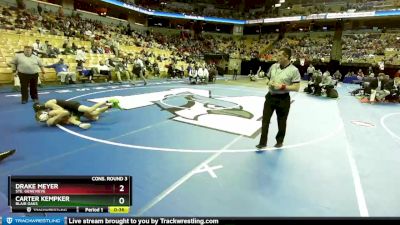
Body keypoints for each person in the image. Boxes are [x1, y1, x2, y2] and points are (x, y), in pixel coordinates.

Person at [256, 48, 301, 149]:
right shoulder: (274, 66)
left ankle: (279, 141)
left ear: (286, 57)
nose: (277, 57)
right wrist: (269, 83)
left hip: (283, 99)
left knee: (281, 122)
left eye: (280, 55)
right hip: (270, 97)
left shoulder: (294, 70)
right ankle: (262, 142)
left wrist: (282, 86)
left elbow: (296, 87)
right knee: (265, 120)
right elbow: (267, 78)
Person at [33, 99, 121, 129]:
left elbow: (64, 111)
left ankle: (107, 101)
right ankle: (111, 106)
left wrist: (51, 115)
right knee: (94, 117)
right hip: (70, 111)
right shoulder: (49, 118)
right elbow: (63, 114)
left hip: (72, 106)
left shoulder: (49, 105)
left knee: (91, 110)